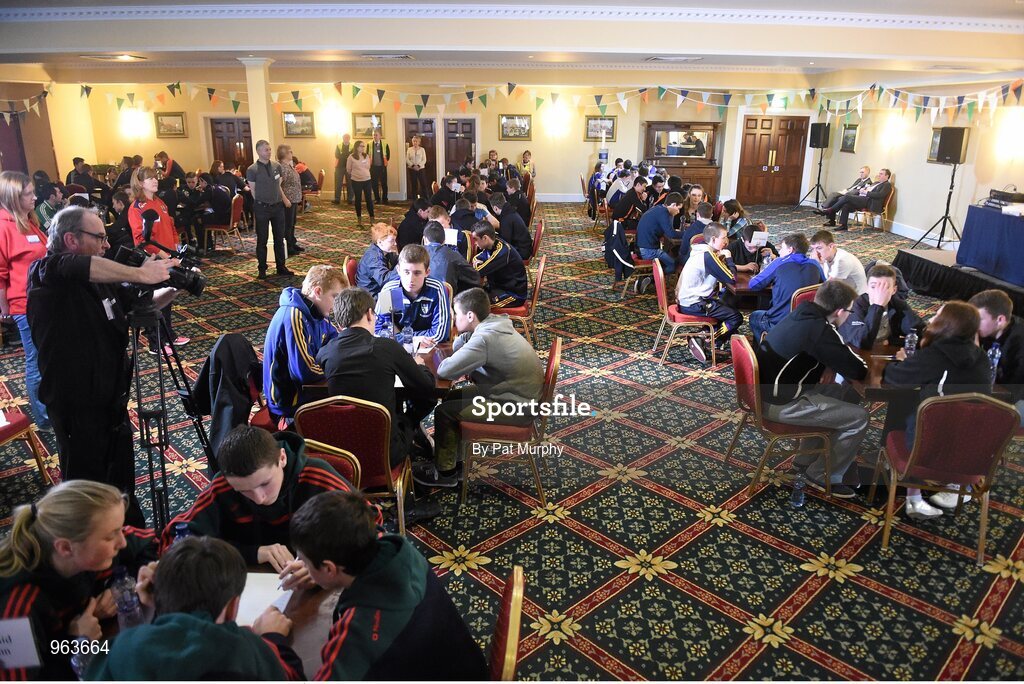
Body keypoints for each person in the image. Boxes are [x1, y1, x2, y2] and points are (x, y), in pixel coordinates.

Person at [28, 207, 181, 525]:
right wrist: (141, 274)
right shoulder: (47, 272)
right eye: (99, 237)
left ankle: (127, 535)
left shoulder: (101, 281)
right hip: (77, 405)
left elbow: (135, 307)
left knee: (120, 481)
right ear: (71, 240)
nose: (107, 244)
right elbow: (75, 266)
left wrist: (175, 284)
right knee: (87, 492)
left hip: (111, 399)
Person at [290, 491, 487, 680]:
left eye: (305, 562)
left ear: (329, 568)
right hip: (467, 667)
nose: (304, 567)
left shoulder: (360, 628)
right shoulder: (397, 548)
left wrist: (276, 641)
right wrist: (319, 571)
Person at [86, 536, 304, 680]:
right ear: (232, 607)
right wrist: (273, 638)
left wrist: (156, 607)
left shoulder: (122, 647)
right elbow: (292, 676)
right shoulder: (246, 649)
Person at [0, 481, 156, 680]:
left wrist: (123, 586)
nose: (122, 542)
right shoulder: (16, 610)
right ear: (65, 548)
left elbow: (151, 542)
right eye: (111, 536)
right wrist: (75, 642)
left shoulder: (91, 547)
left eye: (120, 529)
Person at [162, 425, 368, 571]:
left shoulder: (318, 477)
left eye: (265, 483)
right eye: (244, 491)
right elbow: (176, 541)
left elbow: (370, 526)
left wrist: (319, 564)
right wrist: (252, 553)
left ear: (282, 458)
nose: (259, 499)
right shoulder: (223, 487)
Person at [414, 287, 543, 487]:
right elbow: (460, 348)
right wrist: (464, 337)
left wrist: (422, 364)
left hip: (516, 407)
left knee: (444, 412)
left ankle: (445, 473)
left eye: (456, 313)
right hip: (514, 394)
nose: (454, 318)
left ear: (470, 316)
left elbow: (445, 371)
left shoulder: (484, 339)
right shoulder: (495, 324)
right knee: (451, 397)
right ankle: (453, 461)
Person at [757, 279, 869, 498]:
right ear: (839, 312)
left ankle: (805, 461)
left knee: (842, 394)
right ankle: (821, 474)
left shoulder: (801, 313)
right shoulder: (820, 330)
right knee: (859, 417)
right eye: (849, 311)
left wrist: (829, 363)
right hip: (782, 404)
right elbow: (858, 370)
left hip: (766, 394)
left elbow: (826, 351)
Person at [881, 301, 992, 519]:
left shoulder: (935, 355)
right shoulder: (982, 358)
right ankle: (956, 487)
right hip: (973, 450)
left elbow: (894, 377)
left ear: (947, 324)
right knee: (926, 410)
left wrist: (902, 361)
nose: (931, 319)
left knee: (910, 409)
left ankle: (913, 496)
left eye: (937, 316)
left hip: (930, 448)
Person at [316, 287, 437, 466]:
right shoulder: (387, 347)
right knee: (423, 399)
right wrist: (420, 366)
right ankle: (409, 430)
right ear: (369, 314)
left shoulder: (325, 352)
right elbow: (426, 386)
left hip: (344, 452)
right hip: (386, 452)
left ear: (339, 321)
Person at [264, 265, 346, 423]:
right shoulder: (294, 317)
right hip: (289, 402)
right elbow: (306, 373)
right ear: (318, 292)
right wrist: (337, 366)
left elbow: (335, 339)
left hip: (305, 391)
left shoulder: (317, 312)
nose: (336, 305)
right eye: (335, 297)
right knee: (352, 399)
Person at [0, 171, 50, 429]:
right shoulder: (3, 226)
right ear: (13, 197)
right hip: (24, 304)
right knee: (36, 361)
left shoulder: (29, 222)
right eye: (28, 194)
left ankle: (52, 407)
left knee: (48, 356)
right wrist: (4, 309)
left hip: (42, 299)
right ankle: (44, 418)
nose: (34, 197)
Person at [127, 166, 188, 354]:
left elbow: (170, 226)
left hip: (168, 257)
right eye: (150, 178)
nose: (155, 181)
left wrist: (175, 248)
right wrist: (164, 255)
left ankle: (169, 335)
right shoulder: (136, 208)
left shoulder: (160, 202)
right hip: (153, 260)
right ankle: (156, 343)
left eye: (156, 177)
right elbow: (141, 239)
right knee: (154, 301)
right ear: (140, 183)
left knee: (167, 299)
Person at [676, 222, 742, 364]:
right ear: (713, 239)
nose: (726, 241)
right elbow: (732, 278)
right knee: (735, 317)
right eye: (723, 238)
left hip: (688, 299)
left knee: (726, 304)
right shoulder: (708, 256)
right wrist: (729, 258)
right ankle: (706, 339)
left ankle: (705, 335)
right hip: (694, 303)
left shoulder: (701, 250)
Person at [748, 232, 824, 342]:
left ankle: (766, 347)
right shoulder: (815, 264)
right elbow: (825, 286)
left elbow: (753, 285)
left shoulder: (779, 262)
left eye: (782, 248)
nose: (779, 252)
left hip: (779, 323)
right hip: (806, 323)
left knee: (755, 316)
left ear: (790, 250)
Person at [374, 244, 451, 345]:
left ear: (427, 272)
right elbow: (378, 331)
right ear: (398, 270)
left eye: (417, 273)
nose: (411, 279)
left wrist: (400, 337)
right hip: (398, 348)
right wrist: (412, 339)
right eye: (406, 272)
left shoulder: (436, 289)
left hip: (428, 348)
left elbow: (441, 334)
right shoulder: (391, 291)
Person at [970, 289, 1024, 426]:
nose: (973, 324)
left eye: (979, 319)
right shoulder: (987, 331)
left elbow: (1013, 393)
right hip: (999, 388)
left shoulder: (1019, 343)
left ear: (1000, 320)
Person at [838, 263, 923, 350]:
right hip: (853, 352)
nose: (879, 292)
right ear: (867, 288)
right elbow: (861, 342)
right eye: (873, 287)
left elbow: (923, 336)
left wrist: (892, 341)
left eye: (885, 287)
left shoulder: (897, 304)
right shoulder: (856, 305)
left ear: (894, 290)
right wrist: (878, 306)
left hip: (883, 351)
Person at [246, 139, 294, 280]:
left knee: (279, 238)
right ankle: (262, 269)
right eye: (266, 150)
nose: (269, 152)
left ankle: (281, 267)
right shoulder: (252, 169)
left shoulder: (276, 166)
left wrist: (282, 199)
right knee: (262, 240)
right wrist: (262, 202)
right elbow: (253, 191)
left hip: (277, 207)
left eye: (269, 149)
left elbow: (278, 184)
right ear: (258, 151)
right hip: (262, 208)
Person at [471, 221, 528, 307]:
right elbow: (476, 258)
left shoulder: (502, 252)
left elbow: (479, 272)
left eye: (475, 239)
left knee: (476, 306)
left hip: (513, 294)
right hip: (499, 287)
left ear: (485, 238)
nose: (475, 243)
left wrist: (478, 266)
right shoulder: (492, 244)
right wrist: (478, 265)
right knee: (472, 297)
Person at [819, 168, 893, 230]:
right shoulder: (876, 183)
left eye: (881, 174)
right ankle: (843, 225)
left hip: (870, 202)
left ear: (887, 176)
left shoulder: (887, 185)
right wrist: (863, 190)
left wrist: (866, 192)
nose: (879, 175)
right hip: (863, 199)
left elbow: (880, 195)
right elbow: (868, 189)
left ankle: (830, 210)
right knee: (846, 204)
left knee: (847, 196)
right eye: (879, 173)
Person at [422, 221, 480, 294]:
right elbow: (474, 277)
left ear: (425, 239)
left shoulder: (415, 254)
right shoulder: (453, 255)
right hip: (447, 298)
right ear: (444, 240)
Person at [635, 191, 684, 275]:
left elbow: (669, 230)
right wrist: (686, 233)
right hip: (648, 250)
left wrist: (671, 215)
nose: (678, 211)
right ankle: (655, 278)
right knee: (673, 264)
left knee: (669, 257)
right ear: (673, 205)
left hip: (641, 246)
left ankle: (656, 274)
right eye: (678, 208)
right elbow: (671, 234)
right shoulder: (663, 213)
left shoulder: (659, 208)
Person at [810, 230, 867, 295]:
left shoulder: (842, 260)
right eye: (813, 249)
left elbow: (828, 287)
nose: (816, 253)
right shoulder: (826, 256)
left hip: (857, 298)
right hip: (843, 294)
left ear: (831, 246)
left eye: (819, 248)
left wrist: (817, 264)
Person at [355, 222, 398, 297]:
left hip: (377, 289)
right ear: (380, 242)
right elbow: (384, 280)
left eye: (395, 240)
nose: (395, 244)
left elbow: (395, 262)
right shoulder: (373, 258)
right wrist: (402, 268)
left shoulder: (384, 250)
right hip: (370, 296)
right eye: (392, 241)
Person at [277, 144, 304, 255]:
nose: (292, 153)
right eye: (290, 152)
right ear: (285, 153)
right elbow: (277, 185)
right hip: (288, 200)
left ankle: (292, 242)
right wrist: (285, 200)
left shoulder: (289, 165)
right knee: (287, 224)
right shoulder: (282, 167)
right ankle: (288, 247)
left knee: (292, 223)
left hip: (294, 199)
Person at [491, 193, 533, 261]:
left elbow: (506, 242)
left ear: (495, 208)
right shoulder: (510, 211)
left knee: (493, 256)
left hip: (522, 251)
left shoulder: (506, 218)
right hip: (524, 246)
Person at [347, 139, 375, 225]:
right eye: (361, 146)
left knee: (369, 199)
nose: (363, 148)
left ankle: (372, 218)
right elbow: (348, 169)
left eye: (363, 146)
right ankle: (359, 219)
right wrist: (357, 174)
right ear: (357, 147)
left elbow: (368, 167)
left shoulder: (366, 156)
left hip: (367, 180)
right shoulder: (351, 157)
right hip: (356, 181)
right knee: (358, 200)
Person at [104, 190, 134, 259]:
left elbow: (115, 228)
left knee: (115, 246)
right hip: (132, 237)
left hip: (136, 240)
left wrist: (100, 229)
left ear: (120, 202)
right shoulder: (127, 210)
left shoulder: (127, 211)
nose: (113, 206)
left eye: (114, 203)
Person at [369, 129, 391, 204]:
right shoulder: (369, 144)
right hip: (373, 167)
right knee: (374, 184)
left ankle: (385, 199)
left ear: (380, 136)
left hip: (382, 167)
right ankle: (377, 199)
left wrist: (384, 162)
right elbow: (367, 155)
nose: (374, 136)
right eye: (373, 135)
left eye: (376, 135)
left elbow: (388, 155)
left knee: (384, 184)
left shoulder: (385, 144)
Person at [406, 135, 428, 200]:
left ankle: (425, 199)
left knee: (423, 184)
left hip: (421, 169)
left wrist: (418, 166)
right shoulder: (409, 149)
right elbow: (407, 159)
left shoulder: (422, 149)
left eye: (416, 141)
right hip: (412, 169)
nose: (415, 142)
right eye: (413, 141)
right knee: (414, 184)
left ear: (419, 142)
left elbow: (424, 160)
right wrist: (413, 166)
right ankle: (414, 200)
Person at [333, 133, 352, 205]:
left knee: (350, 183)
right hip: (339, 167)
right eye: (345, 138)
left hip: (349, 167)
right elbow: (336, 155)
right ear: (343, 138)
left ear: (349, 139)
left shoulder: (352, 146)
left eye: (347, 138)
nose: (346, 139)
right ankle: (337, 199)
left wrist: (343, 155)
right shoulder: (338, 145)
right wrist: (346, 155)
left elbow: (353, 155)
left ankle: (350, 199)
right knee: (338, 183)